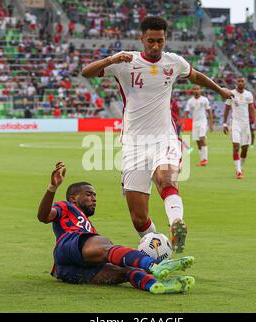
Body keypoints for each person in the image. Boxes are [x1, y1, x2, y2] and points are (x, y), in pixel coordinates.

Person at [81, 16, 233, 253]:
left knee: (166, 179)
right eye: (150, 41)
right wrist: (112, 59)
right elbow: (86, 73)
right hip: (133, 144)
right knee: (138, 218)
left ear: (165, 39)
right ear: (142, 38)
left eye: (160, 41)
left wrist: (220, 90)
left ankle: (176, 224)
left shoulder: (174, 62)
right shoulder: (125, 61)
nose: (155, 46)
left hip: (165, 138)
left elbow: (196, 75)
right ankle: (161, 250)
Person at [37, 162, 195, 294]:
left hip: (67, 270)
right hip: (69, 245)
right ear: (74, 197)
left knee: (125, 271)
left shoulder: (88, 226)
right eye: (89, 194)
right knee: (105, 245)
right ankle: (154, 265)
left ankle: (155, 285)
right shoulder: (66, 206)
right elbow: (43, 216)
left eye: (95, 196)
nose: (94, 199)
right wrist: (52, 187)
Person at [223, 77, 256, 179]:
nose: (241, 83)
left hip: (245, 124)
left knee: (245, 148)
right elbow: (227, 109)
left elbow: (252, 109)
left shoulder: (248, 94)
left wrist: (255, 121)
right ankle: (238, 171)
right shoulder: (231, 94)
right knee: (236, 146)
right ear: (235, 82)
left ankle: (240, 167)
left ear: (245, 83)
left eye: (242, 81)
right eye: (239, 81)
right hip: (235, 123)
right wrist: (224, 123)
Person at [184, 85, 213, 166]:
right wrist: (183, 123)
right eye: (195, 89)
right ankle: (202, 159)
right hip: (195, 123)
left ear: (200, 90)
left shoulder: (204, 100)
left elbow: (209, 112)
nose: (196, 90)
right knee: (198, 141)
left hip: (203, 122)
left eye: (198, 89)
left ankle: (205, 159)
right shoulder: (190, 101)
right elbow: (187, 112)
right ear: (192, 91)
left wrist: (211, 124)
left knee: (201, 138)